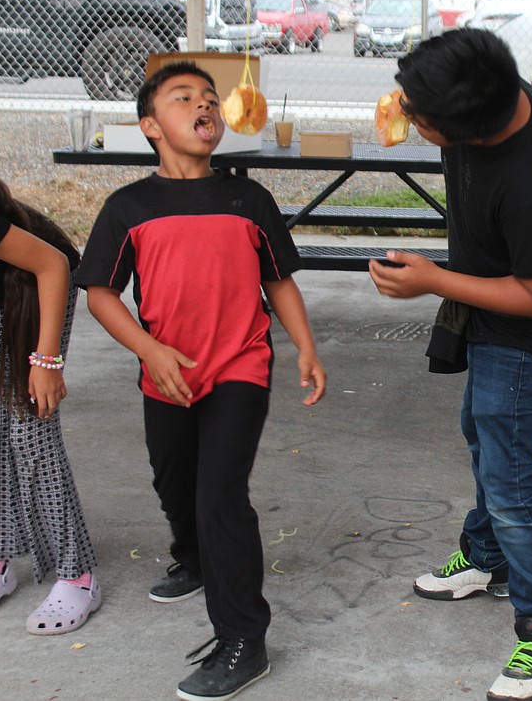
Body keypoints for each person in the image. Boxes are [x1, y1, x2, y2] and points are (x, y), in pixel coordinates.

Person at [74, 61, 326, 701]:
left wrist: (305, 347)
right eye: (184, 97)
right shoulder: (129, 206)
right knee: (175, 482)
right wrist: (148, 349)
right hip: (167, 375)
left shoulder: (249, 199)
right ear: (151, 127)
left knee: (220, 494)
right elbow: (100, 293)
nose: (203, 105)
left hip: (240, 366)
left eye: (210, 97)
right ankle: (192, 557)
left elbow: (278, 282)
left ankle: (244, 639)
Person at [369, 28, 532, 701]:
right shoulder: (488, 92)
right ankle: (487, 554)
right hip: (489, 304)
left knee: (511, 478)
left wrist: (433, 282)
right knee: (484, 432)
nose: (405, 113)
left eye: (416, 113)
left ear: (466, 125)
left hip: (530, 330)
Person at [0, 178, 100, 636]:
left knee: (29, 430)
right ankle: (0, 560)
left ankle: (77, 576)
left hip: (36, 287)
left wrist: (46, 361)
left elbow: (53, 266)